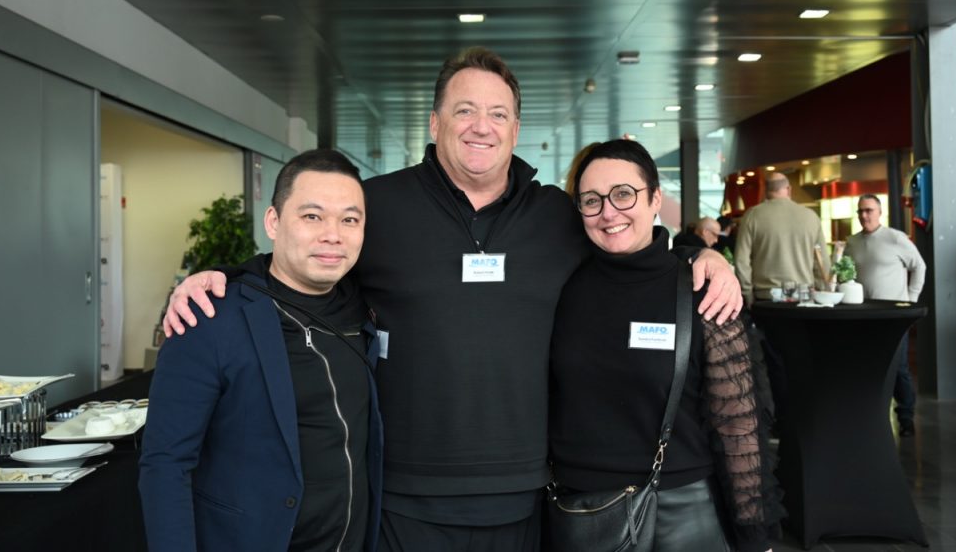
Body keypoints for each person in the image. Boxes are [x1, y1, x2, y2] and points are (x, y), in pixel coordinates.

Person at [163, 48, 743, 552]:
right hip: (404, 494)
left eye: (498, 114)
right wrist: (227, 276)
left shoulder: (555, 216)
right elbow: (310, 253)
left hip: (523, 493)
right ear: (435, 122)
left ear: (516, 129)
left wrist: (698, 257)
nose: (480, 126)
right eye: (464, 110)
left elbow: (624, 246)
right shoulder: (379, 205)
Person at [139, 149, 383, 552]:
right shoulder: (208, 317)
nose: (333, 234)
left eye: (349, 220)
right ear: (273, 221)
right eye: (312, 216)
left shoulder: (363, 310)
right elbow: (165, 462)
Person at [550, 139, 781, 551]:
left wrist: (755, 536)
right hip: (579, 513)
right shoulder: (560, 284)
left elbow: (739, 426)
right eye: (592, 200)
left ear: (655, 198)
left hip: (680, 511)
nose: (608, 212)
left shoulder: (702, 291)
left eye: (624, 194)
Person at [844, 193, 926, 437]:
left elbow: (919, 266)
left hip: (893, 316)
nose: (864, 215)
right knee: (867, 366)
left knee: (898, 366)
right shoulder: (852, 242)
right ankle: (871, 417)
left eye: (869, 210)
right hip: (863, 316)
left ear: (880, 212)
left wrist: (911, 300)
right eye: (860, 211)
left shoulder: (895, 238)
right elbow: (845, 275)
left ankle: (906, 417)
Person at [734, 172, 826, 306]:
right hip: (804, 295)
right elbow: (822, 260)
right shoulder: (811, 216)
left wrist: (747, 294)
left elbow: (741, 261)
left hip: (766, 297)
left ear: (765, 190)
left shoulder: (752, 216)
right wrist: (821, 290)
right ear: (789, 189)